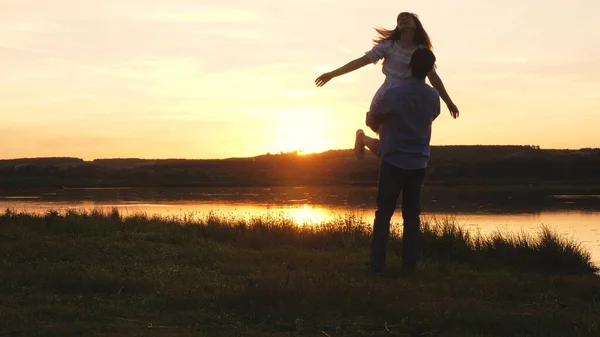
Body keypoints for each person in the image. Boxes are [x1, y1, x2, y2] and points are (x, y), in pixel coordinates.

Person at [315, 12, 458, 159]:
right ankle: (362, 138)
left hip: (412, 99)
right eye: (399, 19)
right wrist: (331, 74)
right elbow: (360, 62)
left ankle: (363, 139)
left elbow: (433, 77)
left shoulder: (422, 51)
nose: (402, 20)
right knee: (389, 148)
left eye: (406, 18)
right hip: (389, 97)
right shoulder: (389, 46)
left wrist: (449, 102)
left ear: (415, 25)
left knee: (399, 146)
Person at [367, 47, 440, 273]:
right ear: (429, 70)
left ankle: (377, 266)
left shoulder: (394, 94)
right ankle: (409, 266)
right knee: (412, 216)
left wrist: (380, 125)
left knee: (384, 214)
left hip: (392, 161)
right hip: (418, 163)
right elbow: (432, 115)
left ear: (409, 66)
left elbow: (372, 119)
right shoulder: (433, 96)